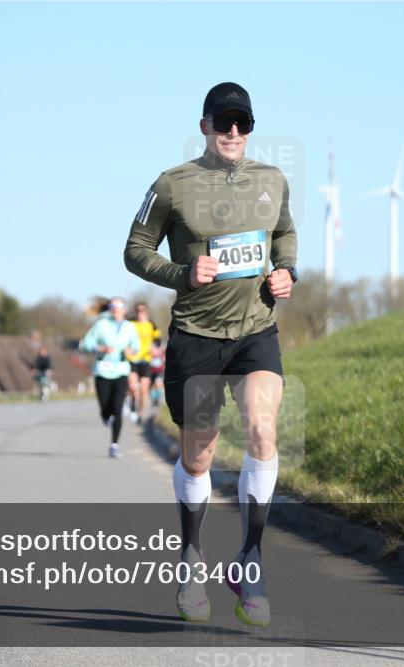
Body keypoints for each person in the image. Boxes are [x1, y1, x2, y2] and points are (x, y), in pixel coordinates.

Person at [124, 82, 298, 626]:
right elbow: (134, 250)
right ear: (204, 126)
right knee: (198, 455)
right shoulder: (172, 184)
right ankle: (192, 557)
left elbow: (286, 235)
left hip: (255, 331)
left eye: (242, 123)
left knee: (263, 430)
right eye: (223, 122)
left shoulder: (272, 181)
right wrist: (180, 274)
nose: (233, 132)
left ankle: (250, 560)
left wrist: (288, 270)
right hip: (196, 336)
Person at [80, 297, 140, 459]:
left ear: (124, 309)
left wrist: (130, 351)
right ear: (110, 308)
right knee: (105, 407)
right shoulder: (101, 325)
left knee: (117, 408)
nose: (116, 309)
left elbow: (136, 346)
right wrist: (100, 347)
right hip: (102, 370)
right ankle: (106, 416)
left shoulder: (129, 327)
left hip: (121, 370)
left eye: (119, 306)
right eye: (113, 306)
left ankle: (114, 445)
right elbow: (84, 344)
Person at [126, 302, 161, 423]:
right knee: (133, 386)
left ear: (147, 311)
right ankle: (133, 406)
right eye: (138, 310)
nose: (140, 313)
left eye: (142, 310)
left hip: (146, 359)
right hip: (133, 359)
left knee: (144, 389)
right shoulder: (130, 323)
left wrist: (155, 348)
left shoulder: (151, 325)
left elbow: (157, 340)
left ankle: (141, 414)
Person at [149, 337, 166, 407]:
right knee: (152, 386)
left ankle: (160, 399)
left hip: (160, 370)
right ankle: (154, 400)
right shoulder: (150, 348)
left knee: (158, 383)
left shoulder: (161, 349)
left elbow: (164, 358)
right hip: (151, 370)